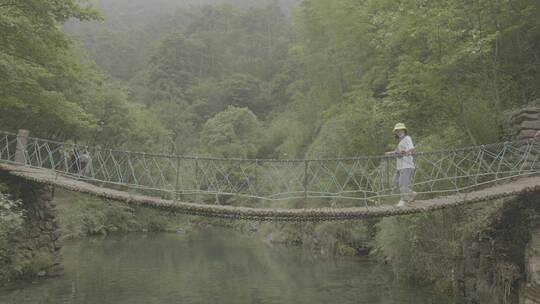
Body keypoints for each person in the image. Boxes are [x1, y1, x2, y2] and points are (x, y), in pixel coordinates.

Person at [385, 123, 417, 207]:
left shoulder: (407, 138)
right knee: (395, 181)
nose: (399, 132)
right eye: (397, 131)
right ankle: (411, 193)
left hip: (406, 165)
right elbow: (398, 152)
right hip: (400, 166)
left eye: (400, 130)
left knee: (402, 183)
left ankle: (403, 200)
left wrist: (405, 152)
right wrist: (390, 153)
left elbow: (412, 149)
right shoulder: (401, 141)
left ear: (404, 131)